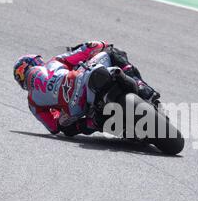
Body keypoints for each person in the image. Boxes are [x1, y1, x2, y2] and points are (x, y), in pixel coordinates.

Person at [13, 41, 159, 137]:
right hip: (84, 79)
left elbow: (53, 127)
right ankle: (142, 86)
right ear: (36, 61)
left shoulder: (32, 102)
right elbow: (86, 49)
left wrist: (62, 113)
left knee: (65, 128)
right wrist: (102, 44)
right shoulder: (54, 62)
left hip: (76, 108)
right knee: (113, 53)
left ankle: (95, 123)